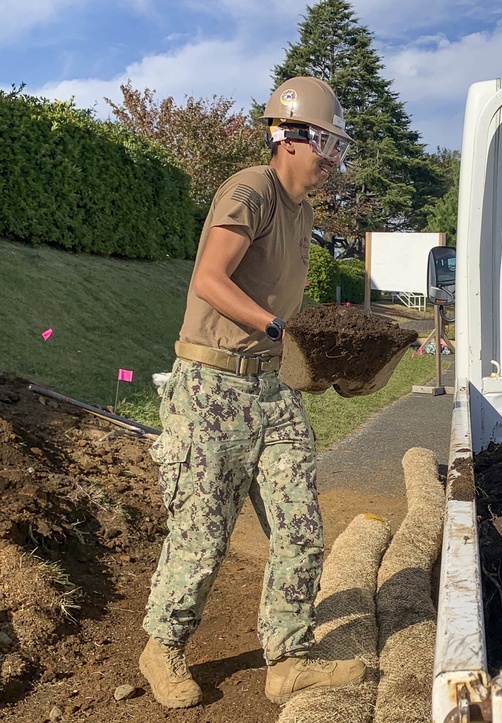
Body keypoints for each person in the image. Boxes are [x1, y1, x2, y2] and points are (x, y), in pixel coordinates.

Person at [139, 76, 364, 709]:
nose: (333, 157)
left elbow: (279, 309)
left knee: (301, 527)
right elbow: (210, 279)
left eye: (337, 146)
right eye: (328, 144)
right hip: (211, 387)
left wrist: (324, 361)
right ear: (292, 137)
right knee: (203, 532)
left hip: (273, 389)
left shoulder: (304, 211)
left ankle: (288, 657)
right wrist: (278, 328)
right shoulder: (250, 190)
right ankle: (162, 646)